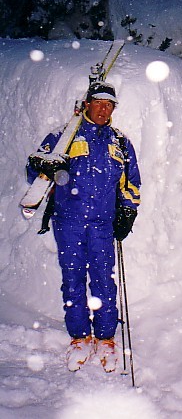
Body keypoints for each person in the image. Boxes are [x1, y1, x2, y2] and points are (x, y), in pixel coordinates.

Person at [26, 81, 141, 372]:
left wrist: (127, 211)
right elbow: (34, 172)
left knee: (104, 280)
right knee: (74, 279)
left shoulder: (120, 142)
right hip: (68, 222)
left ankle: (105, 338)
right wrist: (46, 167)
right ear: (87, 104)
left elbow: (131, 182)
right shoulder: (64, 136)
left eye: (109, 105)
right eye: (99, 103)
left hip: (103, 223)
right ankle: (79, 337)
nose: (103, 110)